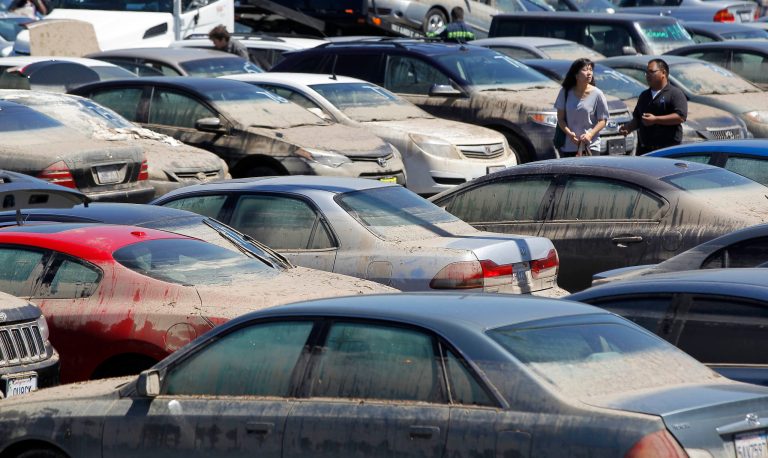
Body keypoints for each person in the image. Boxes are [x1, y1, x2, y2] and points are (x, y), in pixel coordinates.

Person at [619, 58, 687, 155]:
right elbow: (638, 118)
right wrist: (628, 127)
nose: (648, 75)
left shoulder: (675, 93)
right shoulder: (644, 95)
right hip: (645, 150)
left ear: (663, 73)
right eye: (646, 72)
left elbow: (680, 117)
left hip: (668, 150)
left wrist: (655, 119)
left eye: (651, 72)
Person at [554, 58, 610, 157]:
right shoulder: (565, 92)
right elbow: (560, 119)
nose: (589, 73)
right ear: (576, 75)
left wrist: (590, 134)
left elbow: (603, 120)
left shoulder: (597, 94)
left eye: (591, 70)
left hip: (591, 145)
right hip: (569, 146)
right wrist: (570, 134)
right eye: (585, 70)